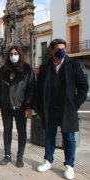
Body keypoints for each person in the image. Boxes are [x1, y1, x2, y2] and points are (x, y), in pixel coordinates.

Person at [35, 39, 88, 179]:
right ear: (52, 50)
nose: (62, 51)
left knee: (69, 138)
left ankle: (69, 165)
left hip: (67, 109)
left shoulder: (73, 65)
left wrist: (75, 103)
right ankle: (48, 161)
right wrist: (39, 106)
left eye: (64, 48)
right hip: (50, 109)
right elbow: (38, 88)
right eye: (58, 49)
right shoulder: (45, 67)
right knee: (49, 136)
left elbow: (83, 86)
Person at [0, 45, 35, 168]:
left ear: (20, 54)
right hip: (6, 105)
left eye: (15, 53)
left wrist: (28, 106)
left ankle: (20, 157)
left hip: (20, 106)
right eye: (11, 54)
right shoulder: (3, 69)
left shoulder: (27, 69)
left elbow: (31, 88)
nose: (13, 56)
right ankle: (7, 155)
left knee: (22, 132)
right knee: (7, 131)